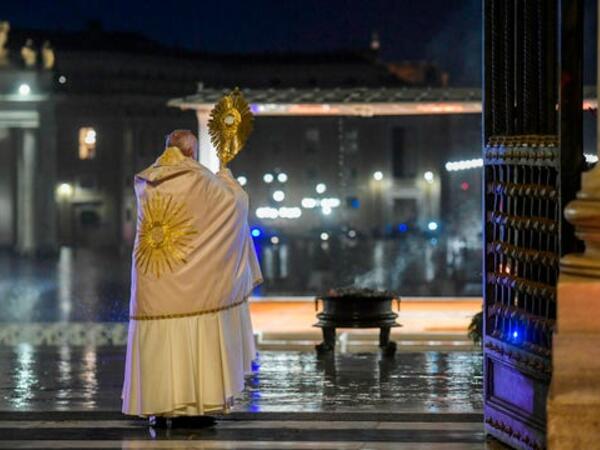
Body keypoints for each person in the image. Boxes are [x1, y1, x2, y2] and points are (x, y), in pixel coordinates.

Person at [122, 130, 262, 427]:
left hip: (153, 280)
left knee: (158, 343)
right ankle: (192, 410)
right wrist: (226, 177)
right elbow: (233, 205)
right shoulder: (197, 177)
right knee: (193, 338)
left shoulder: (146, 181)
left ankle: (157, 410)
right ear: (191, 152)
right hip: (192, 284)